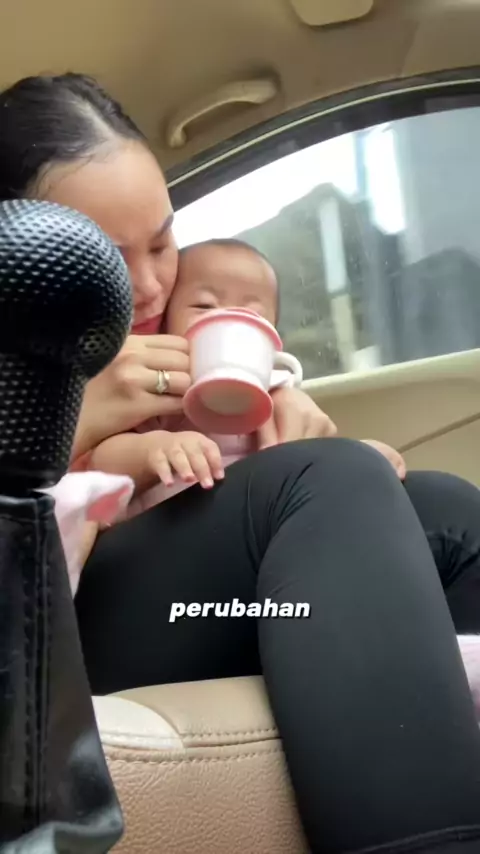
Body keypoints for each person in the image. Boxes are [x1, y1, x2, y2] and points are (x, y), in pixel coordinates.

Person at [2, 72, 480, 854]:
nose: (149, 285)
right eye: (105, 256)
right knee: (328, 482)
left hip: (193, 603)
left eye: (163, 242)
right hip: (49, 626)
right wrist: (71, 415)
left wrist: (275, 411)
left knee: (441, 506)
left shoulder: (172, 333)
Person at [88, 237, 406, 514]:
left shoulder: (278, 393)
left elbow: (309, 451)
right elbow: (101, 462)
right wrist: (153, 449)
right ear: (166, 324)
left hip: (266, 523)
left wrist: (356, 458)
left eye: (252, 315)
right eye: (204, 306)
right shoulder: (156, 387)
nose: (228, 320)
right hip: (174, 533)